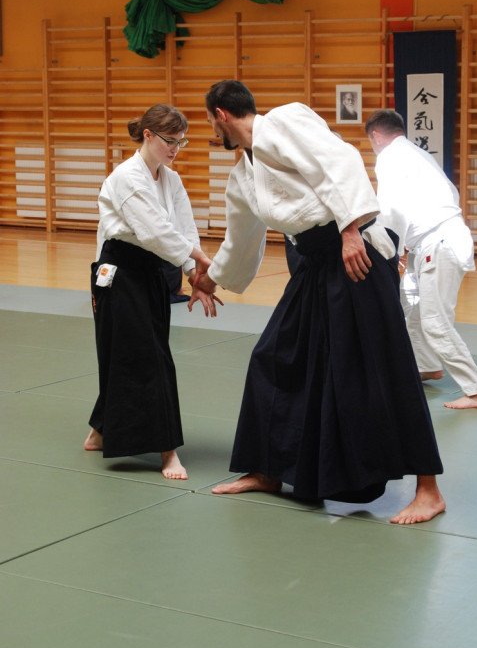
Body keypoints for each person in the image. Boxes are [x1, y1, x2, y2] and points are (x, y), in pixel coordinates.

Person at [191, 80, 446, 525]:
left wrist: (350, 229)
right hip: (314, 264)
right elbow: (240, 241)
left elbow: (340, 160)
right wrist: (207, 281)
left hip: (356, 253)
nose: (213, 131)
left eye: (211, 122)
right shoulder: (243, 175)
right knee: (274, 356)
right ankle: (267, 470)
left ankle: (429, 489)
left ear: (221, 115)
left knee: (382, 363)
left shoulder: (285, 120)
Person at [84, 104, 220, 479]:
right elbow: (155, 232)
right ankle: (167, 450)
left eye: (181, 142)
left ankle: (99, 431)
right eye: (169, 141)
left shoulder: (170, 179)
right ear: (148, 135)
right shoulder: (127, 177)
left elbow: (184, 228)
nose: (175, 148)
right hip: (119, 271)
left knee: (135, 351)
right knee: (149, 357)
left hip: (152, 270)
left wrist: (194, 274)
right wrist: (201, 261)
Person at [366, 109, 477, 411]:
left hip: (439, 242)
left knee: (434, 320)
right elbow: (449, 194)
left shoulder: (389, 156)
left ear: (376, 136)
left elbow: (391, 209)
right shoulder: (418, 154)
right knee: (412, 307)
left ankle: (476, 392)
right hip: (432, 241)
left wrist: (389, 250)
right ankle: (427, 366)